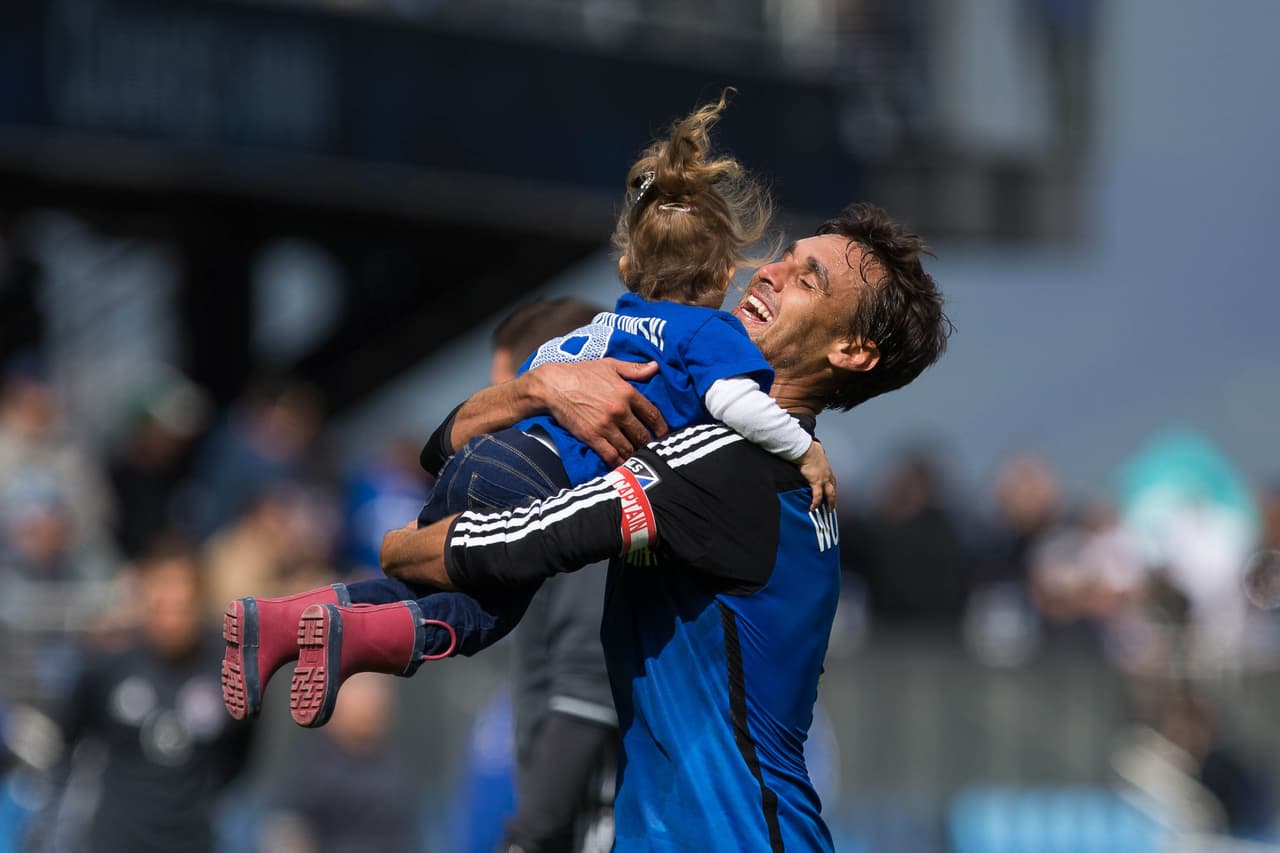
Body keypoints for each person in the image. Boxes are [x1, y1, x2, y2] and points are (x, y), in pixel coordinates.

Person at [222, 91, 836, 728]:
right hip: (540, 480)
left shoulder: (605, 325)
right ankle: (351, 642)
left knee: (419, 587)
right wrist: (802, 447)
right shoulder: (709, 333)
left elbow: (512, 395)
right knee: (481, 614)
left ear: (629, 265)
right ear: (724, 272)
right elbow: (734, 400)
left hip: (484, 454)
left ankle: (284, 621)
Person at [373, 202, 951, 849]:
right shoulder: (755, 455)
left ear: (851, 349)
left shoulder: (734, 461)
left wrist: (397, 548)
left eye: (806, 278)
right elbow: (446, 441)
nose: (767, 272)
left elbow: (523, 539)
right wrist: (539, 390)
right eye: (782, 257)